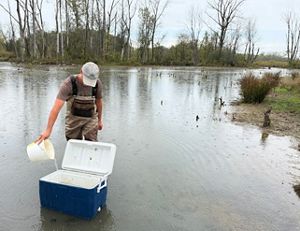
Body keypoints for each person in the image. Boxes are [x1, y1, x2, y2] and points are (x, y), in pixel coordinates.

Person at [36, 62, 103, 144]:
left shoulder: (97, 84)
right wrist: (48, 130)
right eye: (86, 79)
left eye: (91, 81)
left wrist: (99, 120)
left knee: (91, 144)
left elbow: (99, 102)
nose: (88, 83)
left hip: (91, 118)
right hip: (73, 119)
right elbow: (56, 108)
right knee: (73, 144)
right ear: (81, 72)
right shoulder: (68, 84)